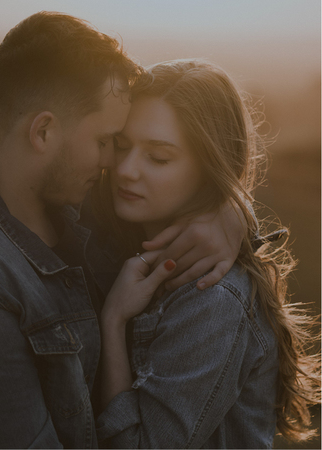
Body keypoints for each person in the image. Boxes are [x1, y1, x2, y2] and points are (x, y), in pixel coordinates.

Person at [0, 12, 246, 448]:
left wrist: (227, 211)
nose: (114, 165)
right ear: (44, 131)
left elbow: (199, 172)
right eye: (106, 142)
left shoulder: (79, 200)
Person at [92, 60, 320, 448]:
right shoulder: (114, 239)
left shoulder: (212, 298)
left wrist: (113, 321)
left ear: (210, 166)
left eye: (158, 157)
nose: (126, 170)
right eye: (122, 145)